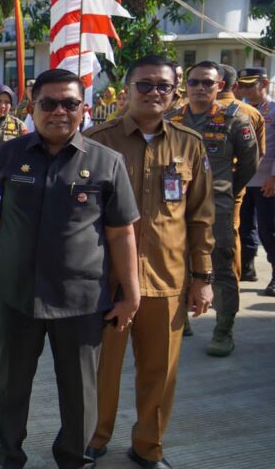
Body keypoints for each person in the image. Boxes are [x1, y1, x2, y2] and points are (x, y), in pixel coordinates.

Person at [0, 68, 140, 469]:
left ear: (83, 108)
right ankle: (8, 457)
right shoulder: (8, 156)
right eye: (48, 103)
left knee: (80, 392)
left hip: (81, 301)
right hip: (16, 296)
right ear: (32, 107)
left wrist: (132, 294)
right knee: (10, 387)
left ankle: (73, 459)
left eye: (69, 103)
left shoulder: (108, 162)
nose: (59, 111)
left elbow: (121, 233)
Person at [85, 56, 215, 469]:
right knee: (100, 372)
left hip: (167, 280)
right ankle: (94, 438)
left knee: (160, 375)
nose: (155, 93)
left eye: (164, 86)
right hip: (106, 282)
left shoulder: (189, 144)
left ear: (175, 91)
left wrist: (203, 277)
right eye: (145, 85)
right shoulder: (95, 141)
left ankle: (148, 447)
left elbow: (201, 216)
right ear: (126, 90)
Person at [167, 61, 258, 357]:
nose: (200, 88)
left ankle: (223, 329)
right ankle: (180, 319)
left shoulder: (235, 119)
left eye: (208, 83)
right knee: (175, 262)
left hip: (215, 205)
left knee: (220, 265)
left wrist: (225, 190)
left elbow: (248, 164)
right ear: (185, 86)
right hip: (175, 204)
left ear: (220, 86)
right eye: (194, 82)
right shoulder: (171, 117)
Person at [234, 68, 275, 295]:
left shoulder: (274, 110)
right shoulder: (238, 110)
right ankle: (247, 266)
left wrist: (274, 176)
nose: (245, 90)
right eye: (242, 85)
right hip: (243, 178)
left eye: (250, 85)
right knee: (243, 226)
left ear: (265, 83)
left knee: (269, 230)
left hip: (266, 179)